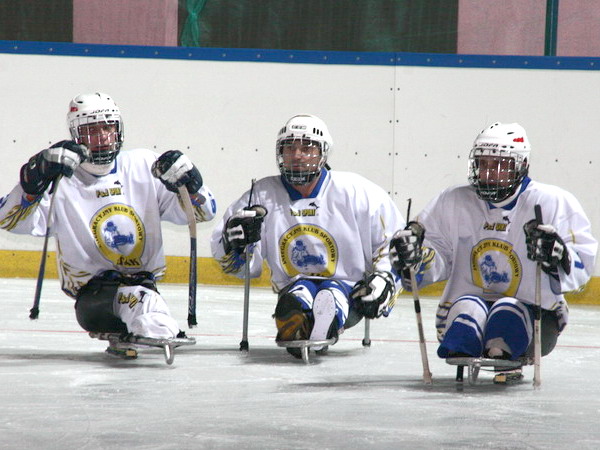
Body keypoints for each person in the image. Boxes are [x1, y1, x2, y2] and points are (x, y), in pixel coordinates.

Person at [0, 92, 217, 355]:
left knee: (140, 296)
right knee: (140, 300)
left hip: (145, 286)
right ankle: (155, 326)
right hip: (94, 301)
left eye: (108, 127)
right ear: (76, 134)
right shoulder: (62, 180)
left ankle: (135, 329)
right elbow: (8, 219)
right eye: (92, 129)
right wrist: (31, 182)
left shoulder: (144, 165)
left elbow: (203, 213)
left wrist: (192, 186)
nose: (103, 136)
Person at [389, 122, 597, 370]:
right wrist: (415, 258)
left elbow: (582, 264)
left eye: (499, 165)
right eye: (483, 164)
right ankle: (466, 341)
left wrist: (558, 255)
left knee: (507, 310)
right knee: (468, 307)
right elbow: (437, 255)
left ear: (522, 165)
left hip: (537, 319)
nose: (488, 173)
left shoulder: (553, 201)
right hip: (461, 310)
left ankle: (503, 344)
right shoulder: (452, 201)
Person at [210, 114, 404, 358]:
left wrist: (383, 279)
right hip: (292, 284)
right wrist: (235, 244)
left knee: (334, 294)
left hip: (351, 290)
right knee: (297, 294)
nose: (297, 155)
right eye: (289, 148)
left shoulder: (357, 192)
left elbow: (392, 241)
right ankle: (298, 319)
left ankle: (324, 320)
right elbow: (240, 264)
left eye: (306, 147)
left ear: (323, 153)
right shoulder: (262, 195)